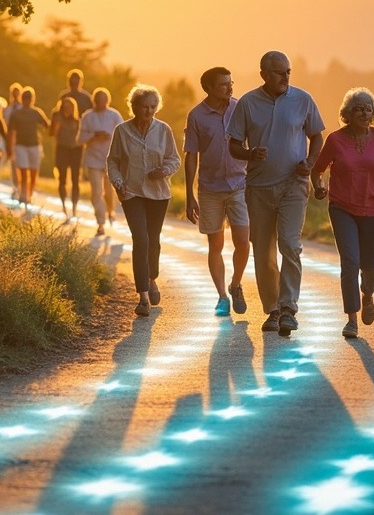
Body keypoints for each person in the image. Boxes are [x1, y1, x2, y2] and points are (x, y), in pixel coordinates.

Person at [227, 51, 325, 337]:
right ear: (264, 75)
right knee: (264, 250)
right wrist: (248, 153)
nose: (286, 77)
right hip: (258, 187)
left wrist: (310, 162)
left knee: (290, 244)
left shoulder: (303, 99)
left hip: (293, 185)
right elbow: (234, 143)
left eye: (288, 72)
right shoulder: (247, 103)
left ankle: (289, 308)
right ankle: (272, 310)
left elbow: (317, 135)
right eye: (280, 72)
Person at [311, 88, 374, 339]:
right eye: (357, 108)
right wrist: (319, 186)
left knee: (370, 266)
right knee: (350, 263)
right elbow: (317, 170)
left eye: (367, 108)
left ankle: (367, 294)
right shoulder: (335, 140)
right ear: (347, 113)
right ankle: (351, 320)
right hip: (342, 207)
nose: (362, 112)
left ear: (373, 113)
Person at [107, 85, 180, 318]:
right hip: (132, 192)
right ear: (134, 107)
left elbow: (174, 159)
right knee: (141, 239)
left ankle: (152, 278)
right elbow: (113, 161)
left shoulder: (164, 130)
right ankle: (143, 297)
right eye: (144, 107)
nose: (149, 111)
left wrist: (164, 170)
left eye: (153, 107)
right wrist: (118, 182)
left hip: (158, 193)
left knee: (153, 241)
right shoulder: (122, 131)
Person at [184, 67, 251, 318]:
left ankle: (236, 284)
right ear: (209, 88)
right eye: (223, 85)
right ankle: (222, 296)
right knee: (216, 243)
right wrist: (190, 194)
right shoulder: (196, 116)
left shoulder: (240, 108)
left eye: (230, 83)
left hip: (239, 185)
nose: (229, 88)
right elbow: (191, 155)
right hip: (210, 189)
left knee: (243, 241)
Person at [79, 87, 124, 236]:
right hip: (93, 159)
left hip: (111, 158)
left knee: (109, 190)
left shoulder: (114, 115)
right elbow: (80, 139)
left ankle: (110, 211)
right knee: (96, 191)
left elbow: (123, 136)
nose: (101, 103)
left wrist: (108, 135)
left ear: (108, 100)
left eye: (104, 100)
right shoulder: (87, 117)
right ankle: (100, 222)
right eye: (98, 100)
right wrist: (94, 135)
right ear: (94, 101)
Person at [6, 86, 50, 206]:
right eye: (25, 98)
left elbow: (46, 125)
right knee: (24, 171)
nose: (27, 100)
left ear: (32, 99)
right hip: (21, 145)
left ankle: (30, 193)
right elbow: (10, 132)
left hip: (34, 145)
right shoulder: (16, 114)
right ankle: (23, 194)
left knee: (34, 172)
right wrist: (10, 147)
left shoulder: (36, 112)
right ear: (22, 99)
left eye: (29, 98)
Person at [50, 95, 83, 219]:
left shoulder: (78, 121)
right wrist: (56, 127)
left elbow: (82, 138)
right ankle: (64, 205)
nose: (67, 109)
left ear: (73, 108)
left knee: (75, 179)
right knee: (62, 178)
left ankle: (74, 206)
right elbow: (51, 133)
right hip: (62, 149)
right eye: (65, 107)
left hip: (75, 151)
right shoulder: (58, 118)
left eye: (70, 107)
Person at [2, 82, 24, 201]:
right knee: (14, 164)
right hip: (12, 140)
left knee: (22, 165)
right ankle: (16, 186)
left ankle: (23, 187)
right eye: (13, 94)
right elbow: (6, 126)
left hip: (23, 139)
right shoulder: (8, 109)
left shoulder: (23, 108)